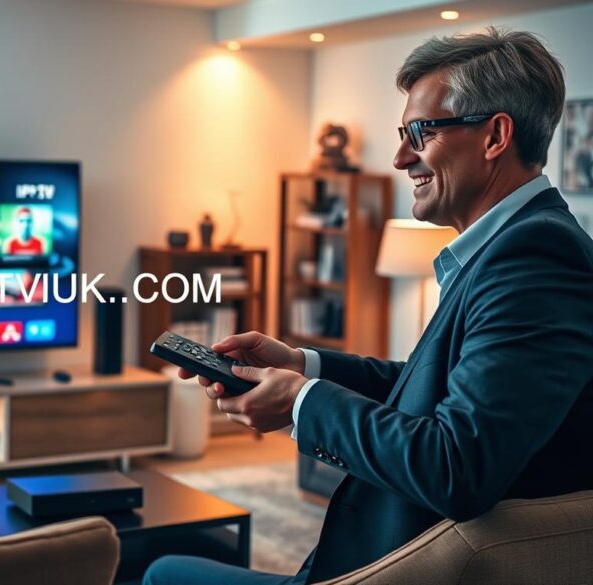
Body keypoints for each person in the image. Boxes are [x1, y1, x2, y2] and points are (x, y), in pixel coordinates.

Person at [146, 28, 593, 585]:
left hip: (394, 569)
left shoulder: (536, 256)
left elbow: (458, 465)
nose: (402, 156)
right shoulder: (511, 246)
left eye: (419, 132)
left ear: (495, 135)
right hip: (385, 557)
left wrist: (303, 403)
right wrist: (304, 366)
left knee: (162, 570)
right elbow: (436, 388)